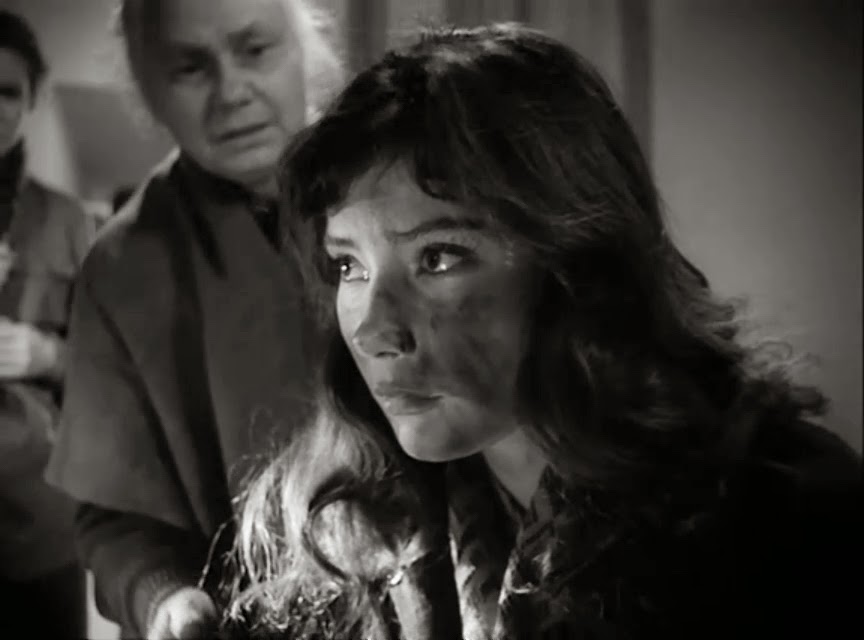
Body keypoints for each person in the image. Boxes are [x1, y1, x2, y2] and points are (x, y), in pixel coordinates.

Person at [227, 24, 863, 640]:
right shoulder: (339, 530)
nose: (373, 330)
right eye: (349, 266)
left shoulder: (783, 525)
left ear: (575, 266)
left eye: (438, 257)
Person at [44, 0, 342, 638]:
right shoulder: (124, 265)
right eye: (190, 68)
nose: (232, 92)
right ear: (147, 89)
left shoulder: (404, 188)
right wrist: (165, 599)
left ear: (304, 47)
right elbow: (116, 520)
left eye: (255, 50)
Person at [0, 9, 99, 638]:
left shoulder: (68, 221)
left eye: (7, 92)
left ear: (32, 98)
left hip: (41, 527)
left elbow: (111, 371)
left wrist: (47, 355)